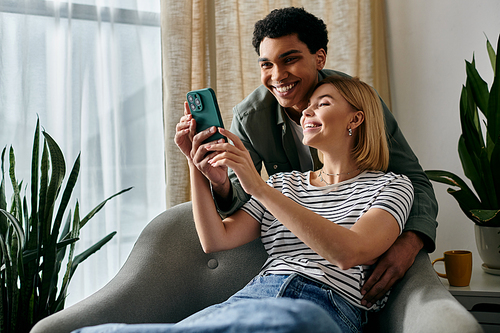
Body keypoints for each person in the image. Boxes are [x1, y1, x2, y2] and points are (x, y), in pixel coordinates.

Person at [75, 75, 414, 333]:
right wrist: (196, 164)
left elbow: (348, 253)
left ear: (356, 119)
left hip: (327, 308)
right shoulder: (284, 184)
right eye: (307, 106)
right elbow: (216, 240)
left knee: (301, 318)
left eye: (322, 103)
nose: (308, 110)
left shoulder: (392, 186)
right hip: (251, 299)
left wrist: (257, 187)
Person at [176, 7, 438, 307]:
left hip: (324, 295)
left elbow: (413, 181)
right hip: (263, 289)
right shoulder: (253, 123)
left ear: (319, 58)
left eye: (290, 59)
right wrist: (200, 167)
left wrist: (410, 242)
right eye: (266, 65)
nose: (277, 76)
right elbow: (233, 210)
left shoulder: (357, 104)